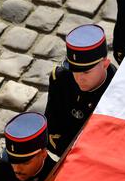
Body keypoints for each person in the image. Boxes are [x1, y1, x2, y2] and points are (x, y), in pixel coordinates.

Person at [45, 24, 117, 157]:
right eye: (74, 71)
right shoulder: (61, 79)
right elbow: (53, 129)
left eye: (86, 72)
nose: (79, 78)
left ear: (105, 65)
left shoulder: (117, 88)